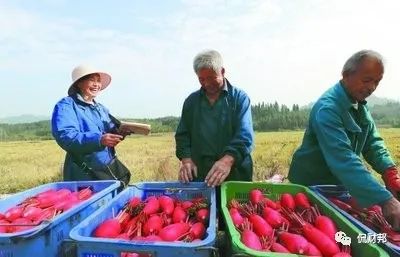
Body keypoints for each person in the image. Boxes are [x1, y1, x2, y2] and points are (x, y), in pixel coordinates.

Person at [288, 50, 400, 229]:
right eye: (367, 80)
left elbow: (373, 142)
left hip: (339, 184)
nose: (371, 87)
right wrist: (386, 199)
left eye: (377, 82)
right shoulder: (328, 109)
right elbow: (343, 159)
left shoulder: (359, 104)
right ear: (347, 74)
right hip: (311, 185)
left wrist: (390, 173)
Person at [175, 49, 254, 187]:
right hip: (201, 176)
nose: (206, 83)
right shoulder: (191, 102)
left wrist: (227, 160)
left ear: (222, 71)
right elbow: (183, 134)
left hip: (235, 174)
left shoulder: (239, 99)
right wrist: (186, 159)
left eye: (211, 77)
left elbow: (245, 136)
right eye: (201, 79)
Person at [51, 65, 131, 183]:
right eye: (92, 80)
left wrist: (119, 133)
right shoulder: (66, 105)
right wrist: (99, 140)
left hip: (106, 168)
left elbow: (109, 131)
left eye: (98, 81)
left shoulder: (101, 108)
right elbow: (66, 136)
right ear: (79, 83)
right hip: (83, 173)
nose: (96, 84)